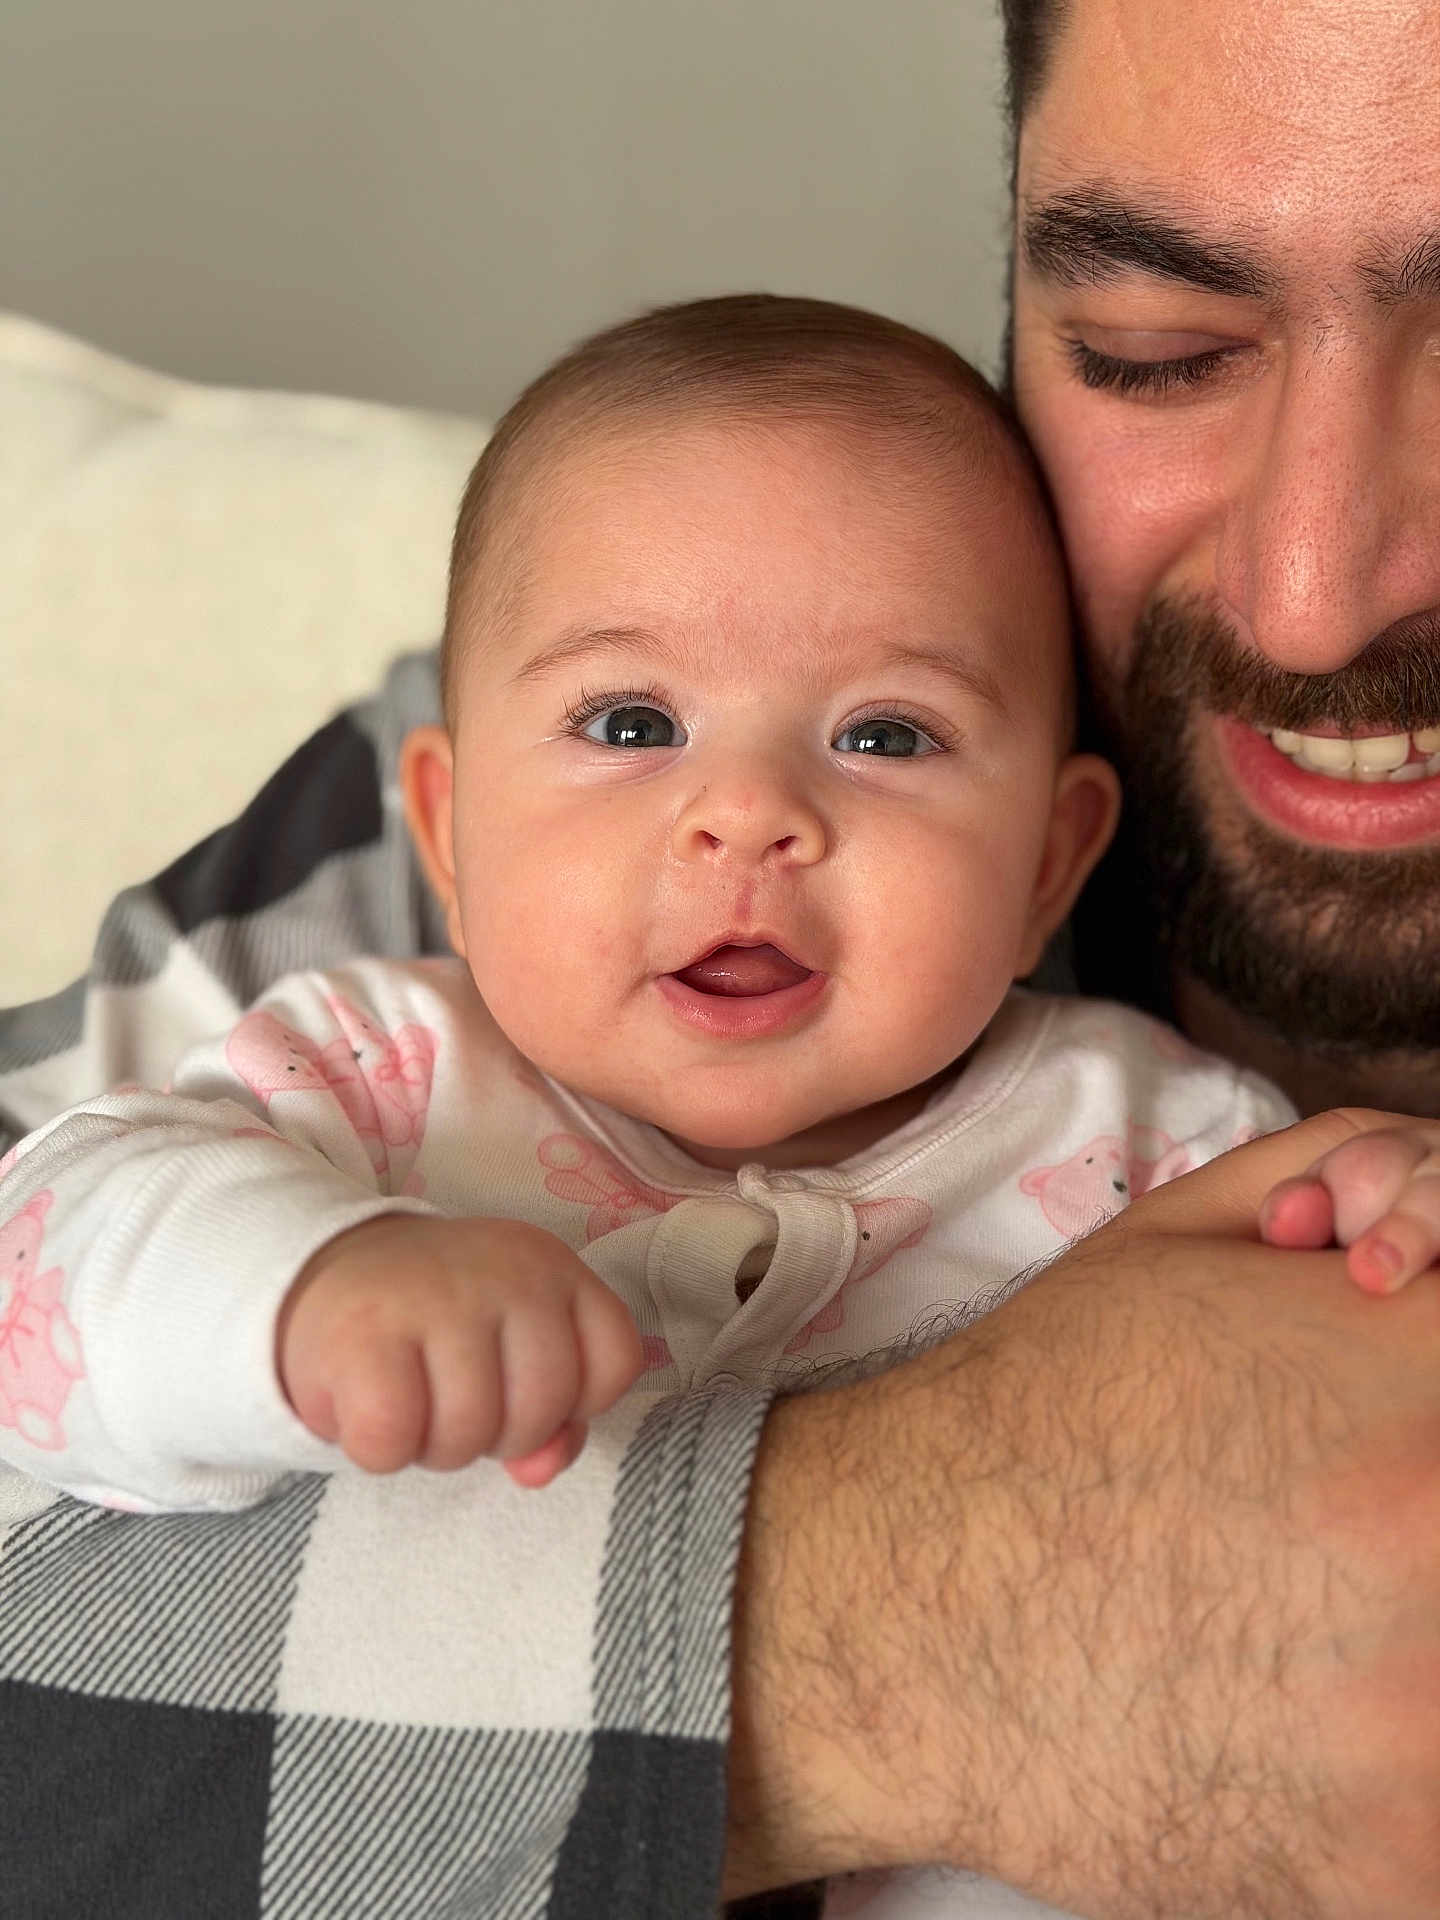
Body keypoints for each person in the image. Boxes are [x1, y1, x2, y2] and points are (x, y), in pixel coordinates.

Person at [5, 1, 1440, 1916]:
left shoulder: (1141, 1122)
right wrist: (885, 1611)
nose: (1311, 588)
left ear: (1048, 857)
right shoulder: (417, 910)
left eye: (883, 736)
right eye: (1153, 355)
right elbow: (67, 1264)